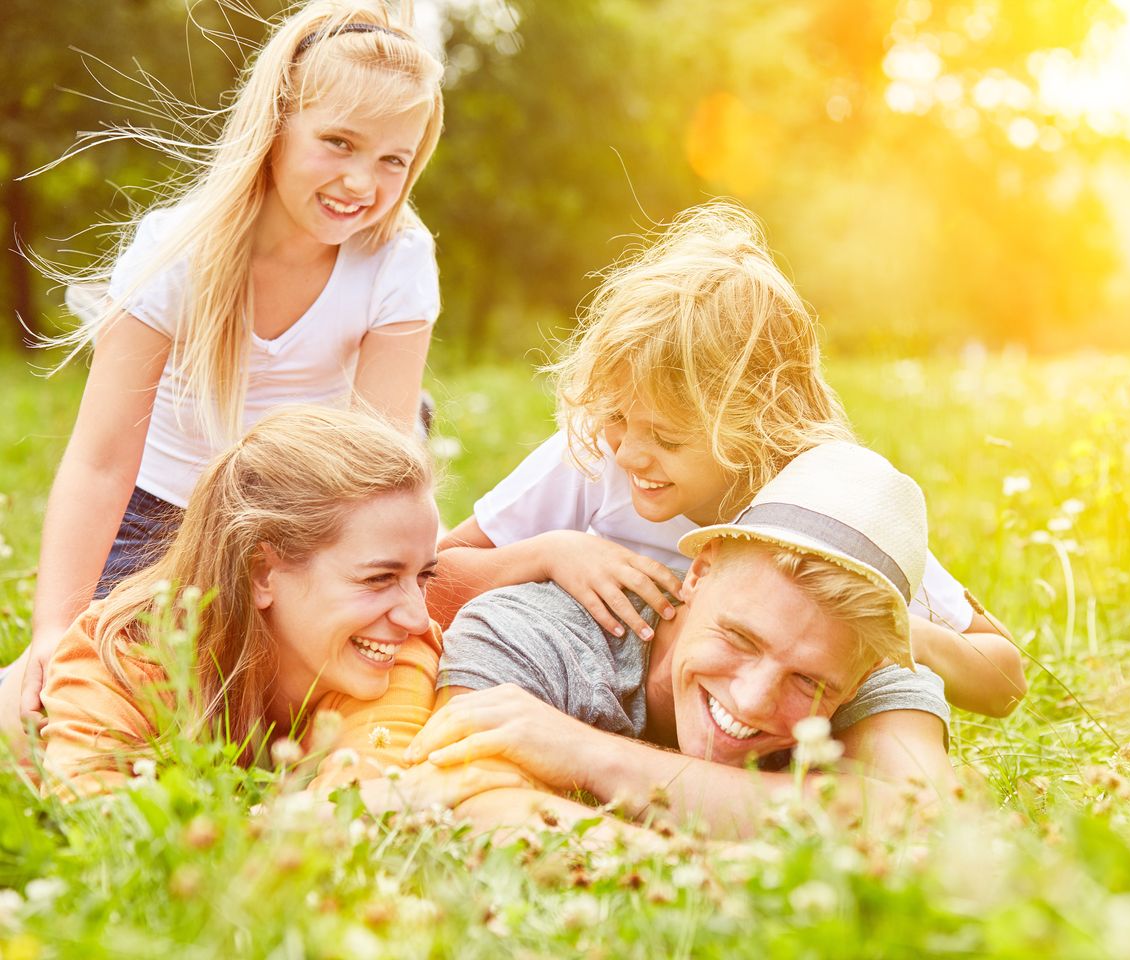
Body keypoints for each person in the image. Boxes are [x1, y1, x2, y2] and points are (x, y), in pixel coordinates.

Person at [22, 0, 447, 727]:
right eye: (338, 143)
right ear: (277, 124)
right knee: (139, 685)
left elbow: (378, 468)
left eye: (391, 160)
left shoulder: (397, 260)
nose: (360, 183)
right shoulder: (179, 251)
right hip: (166, 516)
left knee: (320, 685)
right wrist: (51, 634)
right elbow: (100, 464)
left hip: (313, 516)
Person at [429, 201, 1026, 717]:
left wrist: (875, 624)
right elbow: (426, 580)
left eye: (666, 438)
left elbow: (1003, 679)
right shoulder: (591, 455)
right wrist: (548, 553)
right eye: (616, 416)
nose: (630, 451)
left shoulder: (822, 501)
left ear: (755, 424)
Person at [406, 442, 956, 837]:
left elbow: (923, 826)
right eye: (741, 638)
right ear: (699, 572)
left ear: (862, 676)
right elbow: (465, 801)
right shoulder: (533, 631)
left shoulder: (865, 671)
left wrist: (590, 756)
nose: (752, 700)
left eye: (808, 681)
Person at [0, 406, 521, 806]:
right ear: (261, 571)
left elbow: (367, 809)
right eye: (379, 577)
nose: (413, 615)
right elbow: (99, 822)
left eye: (423, 576)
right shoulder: (122, 654)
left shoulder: (398, 653)